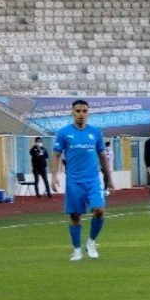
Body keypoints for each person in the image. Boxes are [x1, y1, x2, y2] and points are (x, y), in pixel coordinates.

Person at [51, 100, 113, 261]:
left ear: (88, 113)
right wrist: (54, 176)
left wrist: (109, 177)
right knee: (75, 216)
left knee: (99, 210)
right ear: (72, 112)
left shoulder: (95, 132)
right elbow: (56, 155)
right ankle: (77, 249)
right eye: (78, 111)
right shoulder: (64, 133)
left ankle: (91, 242)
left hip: (92, 179)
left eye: (84, 111)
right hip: (74, 180)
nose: (81, 114)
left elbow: (102, 156)